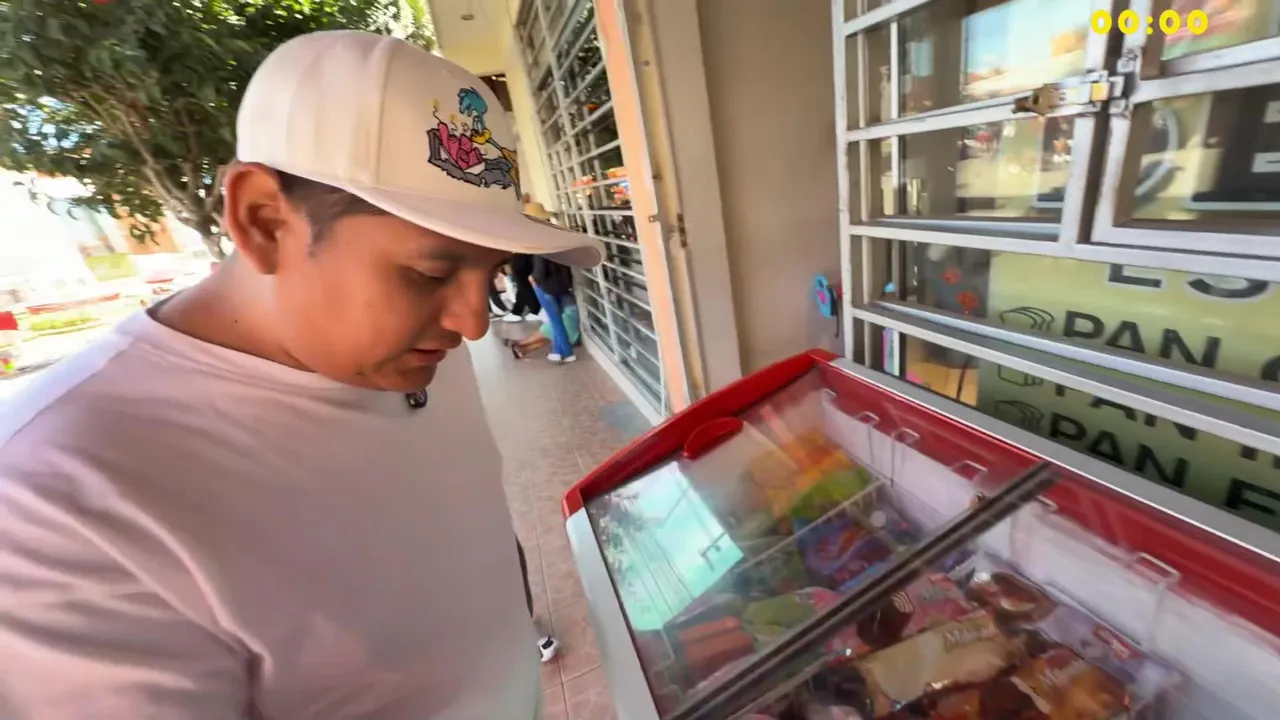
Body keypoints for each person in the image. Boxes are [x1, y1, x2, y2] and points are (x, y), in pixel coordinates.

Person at [0, 31, 603, 719]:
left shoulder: (415, 348)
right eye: (429, 272)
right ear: (262, 220)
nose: (471, 324)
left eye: (490, 270)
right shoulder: (53, 506)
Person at [531, 255, 578, 364]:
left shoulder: (541, 251)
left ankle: (568, 353)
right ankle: (557, 352)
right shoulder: (560, 249)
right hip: (562, 287)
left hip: (546, 289)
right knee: (558, 320)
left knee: (555, 322)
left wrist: (533, 278)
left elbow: (539, 273)